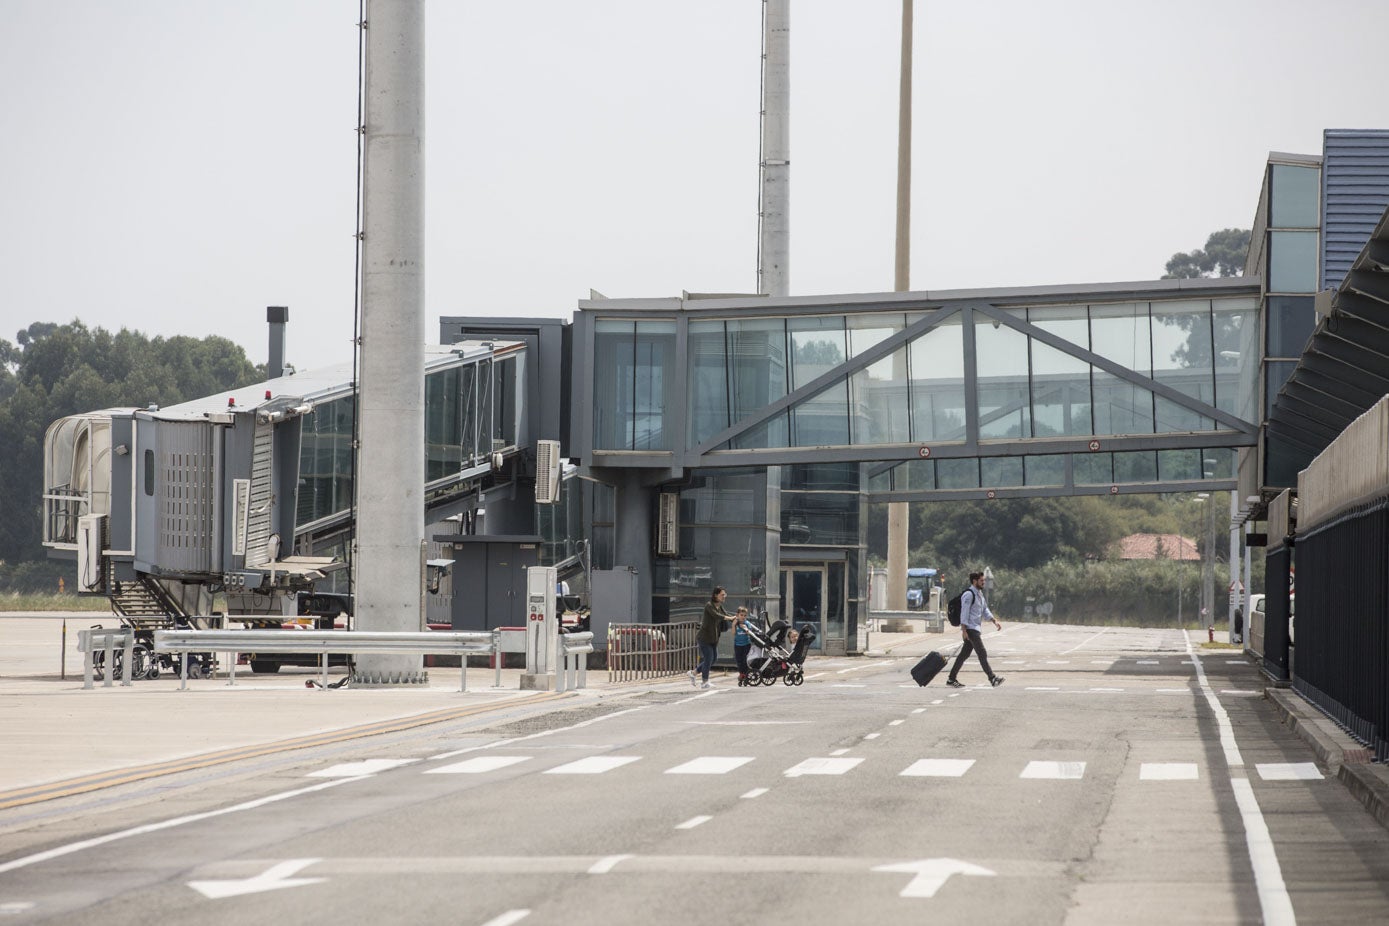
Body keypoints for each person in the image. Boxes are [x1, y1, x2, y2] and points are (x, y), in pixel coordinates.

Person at [946, 571, 1004, 688]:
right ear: (974, 581)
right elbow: (964, 613)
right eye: (981, 581)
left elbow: (985, 610)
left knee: (964, 655)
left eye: (984, 580)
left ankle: (951, 678)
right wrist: (964, 630)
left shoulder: (979, 594)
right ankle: (992, 678)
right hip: (970, 629)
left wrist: (994, 620)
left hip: (975, 629)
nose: (983, 582)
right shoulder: (969, 595)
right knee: (982, 652)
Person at [691, 586, 731, 689]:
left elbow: (726, 614)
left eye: (724, 595)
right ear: (715, 595)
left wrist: (737, 619)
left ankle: (694, 673)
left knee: (713, 659)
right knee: (708, 659)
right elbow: (717, 615)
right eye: (722, 595)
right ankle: (704, 682)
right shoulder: (709, 606)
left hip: (714, 638)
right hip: (704, 638)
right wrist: (729, 618)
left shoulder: (720, 606)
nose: (724, 597)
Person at [732, 607, 752, 686]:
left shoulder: (747, 623)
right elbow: (733, 633)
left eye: (745, 615)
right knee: (739, 660)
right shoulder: (736, 623)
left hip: (746, 644)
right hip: (737, 645)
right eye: (741, 615)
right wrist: (733, 625)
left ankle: (746, 673)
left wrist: (746, 629)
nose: (743, 617)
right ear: (737, 615)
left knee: (745, 660)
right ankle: (741, 673)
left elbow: (750, 633)